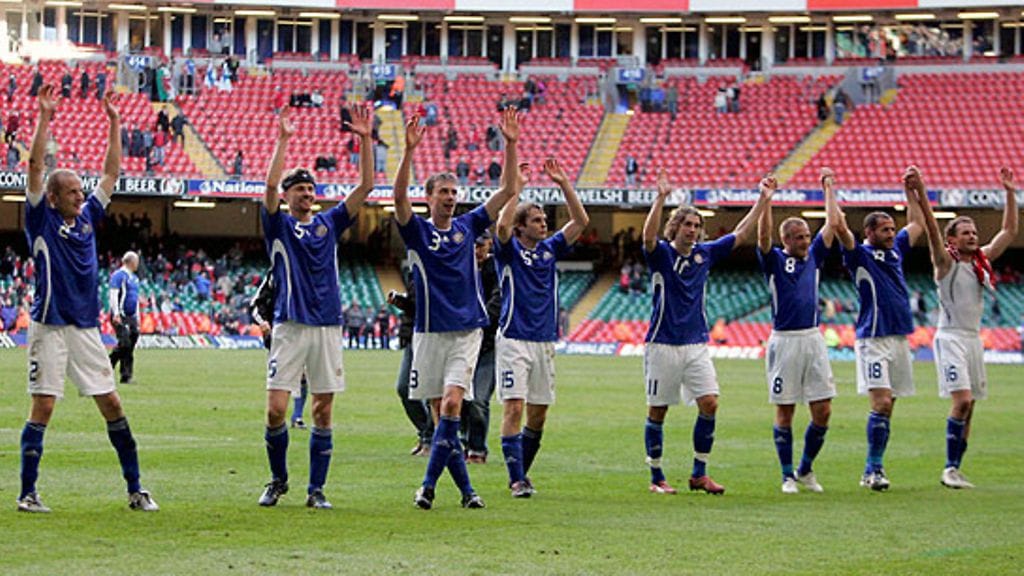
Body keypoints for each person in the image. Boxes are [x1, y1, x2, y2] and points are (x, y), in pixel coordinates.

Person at [18, 85, 158, 513]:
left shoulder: (89, 218)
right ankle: (28, 493)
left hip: (85, 328)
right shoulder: (40, 218)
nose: (82, 194)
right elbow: (36, 167)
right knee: (43, 405)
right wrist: (44, 117)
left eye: (82, 189)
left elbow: (111, 174)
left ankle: (135, 488)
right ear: (55, 196)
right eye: (74, 190)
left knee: (112, 402)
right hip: (49, 326)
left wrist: (115, 121)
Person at [393, 108, 519, 510]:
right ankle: (467, 492)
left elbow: (507, 191)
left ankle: (427, 488)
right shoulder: (418, 232)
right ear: (429, 198)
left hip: (466, 330)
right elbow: (397, 200)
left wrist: (511, 143)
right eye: (442, 192)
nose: (450, 198)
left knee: (450, 404)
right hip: (428, 334)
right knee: (439, 418)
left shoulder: (468, 227)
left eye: (453, 192)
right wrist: (409, 152)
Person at [256, 102, 374, 510]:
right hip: (289, 324)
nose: (307, 193)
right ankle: (278, 479)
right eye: (300, 189)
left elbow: (366, 187)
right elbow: (268, 191)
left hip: (326, 325)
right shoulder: (279, 226)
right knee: (275, 410)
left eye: (311, 189)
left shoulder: (329, 223)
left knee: (323, 410)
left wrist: (363, 139)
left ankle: (316, 490)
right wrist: (284, 140)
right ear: (288, 196)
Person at [641, 169, 773, 496]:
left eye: (698, 226)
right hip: (662, 344)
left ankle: (699, 473)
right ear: (676, 227)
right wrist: (659, 199)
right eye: (687, 224)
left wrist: (763, 200)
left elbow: (742, 233)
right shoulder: (662, 254)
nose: (693, 230)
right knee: (658, 410)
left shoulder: (705, 254)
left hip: (696, 344)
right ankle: (657, 476)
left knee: (710, 403)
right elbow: (646, 238)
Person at [910, 166, 1018, 489]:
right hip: (951, 338)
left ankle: (955, 468)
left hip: (973, 340)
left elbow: (1009, 231)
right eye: (965, 232)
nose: (973, 236)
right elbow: (930, 229)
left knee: (970, 408)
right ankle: (948, 468)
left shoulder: (981, 261)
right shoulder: (946, 262)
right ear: (952, 239)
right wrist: (922, 191)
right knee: (963, 401)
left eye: (974, 232)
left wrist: (1010, 192)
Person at [494, 156, 589, 497]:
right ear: (521, 226)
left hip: (544, 340)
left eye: (544, 219)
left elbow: (581, 220)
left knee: (538, 415)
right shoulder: (508, 250)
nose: (543, 224)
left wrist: (564, 184)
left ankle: (521, 471)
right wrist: (515, 192)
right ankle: (516, 479)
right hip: (514, 339)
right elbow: (501, 227)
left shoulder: (550, 250)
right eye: (536, 220)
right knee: (514, 407)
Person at [830, 166, 925, 492]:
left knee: (890, 404)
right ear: (869, 232)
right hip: (873, 337)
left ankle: (876, 466)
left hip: (898, 336)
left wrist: (910, 191)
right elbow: (840, 227)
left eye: (891, 227)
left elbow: (917, 224)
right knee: (881, 403)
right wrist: (831, 188)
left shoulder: (897, 248)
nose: (890, 232)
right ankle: (873, 468)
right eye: (884, 228)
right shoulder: (859, 255)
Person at [755, 167, 840, 494]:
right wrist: (767, 201)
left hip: (812, 338)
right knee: (786, 409)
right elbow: (763, 238)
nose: (806, 241)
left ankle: (806, 468)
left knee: (823, 410)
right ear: (787, 239)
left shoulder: (815, 257)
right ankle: (787, 474)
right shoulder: (774, 260)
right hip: (785, 340)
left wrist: (828, 186)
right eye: (800, 237)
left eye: (807, 236)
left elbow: (832, 224)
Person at [460, 230, 502, 464]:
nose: (477, 250)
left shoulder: (496, 269)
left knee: (479, 399)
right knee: (461, 399)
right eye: (474, 246)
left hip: (487, 345)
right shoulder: (460, 266)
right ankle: (466, 442)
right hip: (463, 343)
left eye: (481, 245)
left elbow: (498, 299)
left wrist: (478, 321)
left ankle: (477, 448)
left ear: (489, 245)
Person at [250, 267, 307, 430]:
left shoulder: (309, 272)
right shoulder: (275, 273)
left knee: (303, 373)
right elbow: (255, 304)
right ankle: (276, 417)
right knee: (282, 377)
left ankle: (297, 416)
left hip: (302, 328)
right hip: (277, 333)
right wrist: (262, 321)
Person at [388, 282, 434, 456]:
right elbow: (416, 305)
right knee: (404, 387)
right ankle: (425, 433)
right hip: (412, 336)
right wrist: (401, 301)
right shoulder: (413, 271)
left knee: (432, 392)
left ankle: (430, 439)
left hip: (433, 335)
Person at [108, 251, 141, 384]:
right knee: (125, 343)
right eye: (137, 261)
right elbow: (113, 294)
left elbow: (135, 298)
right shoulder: (119, 276)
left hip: (131, 316)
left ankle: (122, 373)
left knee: (130, 343)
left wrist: (137, 316)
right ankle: (115, 368)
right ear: (131, 262)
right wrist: (115, 313)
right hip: (120, 314)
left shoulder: (134, 278)